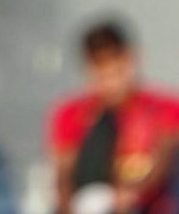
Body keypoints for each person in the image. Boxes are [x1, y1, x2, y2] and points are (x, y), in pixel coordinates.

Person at [49, 20, 179, 214]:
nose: (112, 84)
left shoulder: (164, 109)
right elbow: (63, 177)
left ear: (132, 59)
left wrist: (126, 197)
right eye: (102, 75)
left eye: (117, 72)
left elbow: (162, 164)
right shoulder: (71, 114)